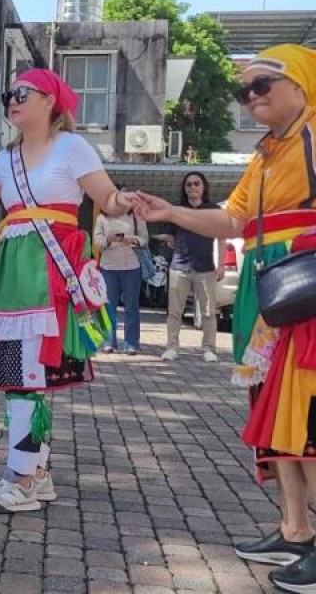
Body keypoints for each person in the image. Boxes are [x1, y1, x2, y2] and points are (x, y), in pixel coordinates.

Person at [0, 68, 138, 513]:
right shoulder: (4, 159)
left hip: (49, 274)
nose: (11, 100)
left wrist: (124, 202)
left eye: (22, 92)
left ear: (50, 100)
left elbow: (107, 199)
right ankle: (37, 474)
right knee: (25, 377)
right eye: (8, 94)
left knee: (26, 378)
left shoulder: (73, 147)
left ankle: (23, 479)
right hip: (15, 276)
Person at [137, 44, 316, 593]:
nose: (250, 97)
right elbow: (233, 218)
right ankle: (295, 530)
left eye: (262, 85)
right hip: (271, 292)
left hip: (306, 288)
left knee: (309, 417)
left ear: (302, 84)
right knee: (272, 413)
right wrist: (170, 212)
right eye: (245, 90)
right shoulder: (265, 154)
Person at [157, 171, 225, 363]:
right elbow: (170, 238)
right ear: (184, 188)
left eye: (196, 184)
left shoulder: (214, 210)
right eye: (189, 184)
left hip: (206, 268)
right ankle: (171, 347)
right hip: (180, 267)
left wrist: (221, 265)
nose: (193, 187)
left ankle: (209, 349)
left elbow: (222, 239)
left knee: (209, 312)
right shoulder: (176, 210)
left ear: (204, 187)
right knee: (174, 311)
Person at [93, 206, 148, 354]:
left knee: (131, 306)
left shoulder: (136, 217)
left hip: (132, 267)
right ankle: (108, 342)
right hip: (108, 268)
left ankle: (131, 344)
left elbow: (144, 240)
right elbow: (98, 242)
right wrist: (108, 240)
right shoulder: (102, 218)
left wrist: (131, 239)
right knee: (108, 306)